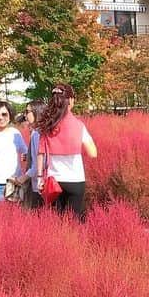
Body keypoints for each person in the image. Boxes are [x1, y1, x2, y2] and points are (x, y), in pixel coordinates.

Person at [37, 82, 97, 218]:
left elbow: (40, 153)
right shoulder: (79, 125)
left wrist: (39, 178)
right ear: (70, 100)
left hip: (54, 181)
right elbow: (93, 153)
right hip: (75, 179)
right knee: (73, 221)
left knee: (56, 221)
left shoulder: (48, 125)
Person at [21, 101, 45, 208]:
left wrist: (23, 178)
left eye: (27, 112)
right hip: (48, 183)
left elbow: (38, 165)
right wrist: (29, 156)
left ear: (37, 112)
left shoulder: (37, 133)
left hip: (39, 185)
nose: (25, 115)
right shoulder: (44, 130)